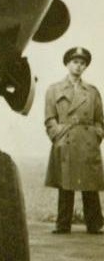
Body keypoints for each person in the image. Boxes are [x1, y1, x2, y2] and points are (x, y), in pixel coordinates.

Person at [43, 46, 104, 234]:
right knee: (65, 183)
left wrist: (95, 136)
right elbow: (49, 118)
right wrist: (58, 136)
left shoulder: (92, 92)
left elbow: (100, 120)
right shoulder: (54, 90)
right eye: (75, 62)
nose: (78, 67)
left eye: (82, 63)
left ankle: (94, 224)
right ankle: (63, 224)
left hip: (87, 142)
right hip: (66, 139)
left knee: (90, 185)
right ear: (68, 64)